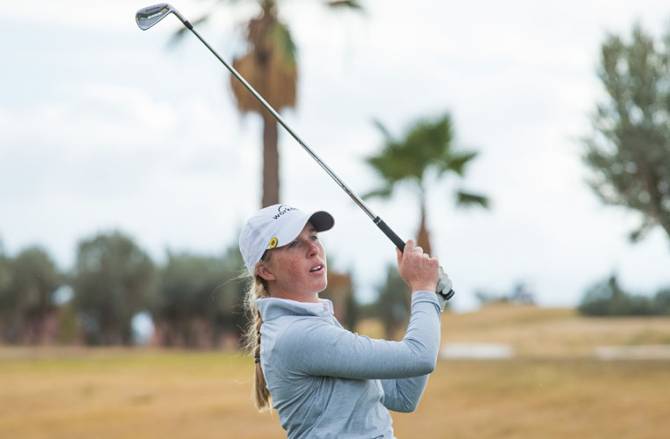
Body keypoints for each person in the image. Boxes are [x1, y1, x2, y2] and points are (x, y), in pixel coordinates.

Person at [238, 203, 448, 439]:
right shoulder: (297, 335)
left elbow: (403, 395)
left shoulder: (313, 326)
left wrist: (433, 297)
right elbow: (419, 357)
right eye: (294, 243)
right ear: (265, 271)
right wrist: (423, 289)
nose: (313, 249)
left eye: (313, 236)